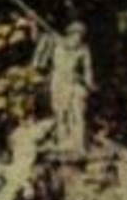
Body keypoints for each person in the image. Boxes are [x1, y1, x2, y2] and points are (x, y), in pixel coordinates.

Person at [32, 20, 94, 156]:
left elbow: (88, 69)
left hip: (74, 83)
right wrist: (33, 25)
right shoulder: (56, 42)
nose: (78, 38)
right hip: (58, 81)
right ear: (69, 34)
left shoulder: (83, 49)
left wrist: (89, 84)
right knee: (60, 113)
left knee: (78, 113)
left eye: (80, 36)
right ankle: (63, 142)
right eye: (75, 35)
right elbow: (38, 41)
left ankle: (79, 145)